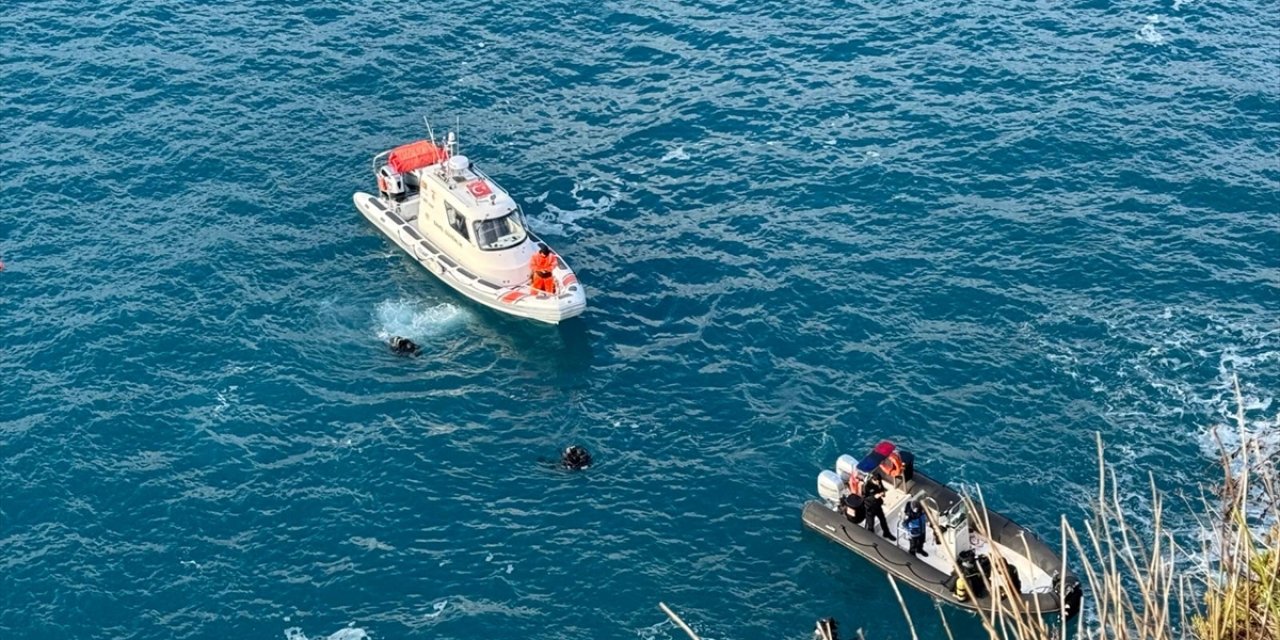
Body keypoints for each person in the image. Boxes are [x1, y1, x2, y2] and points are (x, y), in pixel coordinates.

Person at [861, 473, 895, 540]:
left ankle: (886, 533)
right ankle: (870, 537)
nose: (878, 483)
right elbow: (864, 498)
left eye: (879, 481)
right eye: (877, 481)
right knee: (871, 524)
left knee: (883, 520)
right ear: (873, 480)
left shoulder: (879, 483)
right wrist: (874, 497)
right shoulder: (867, 486)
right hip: (870, 507)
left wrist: (882, 493)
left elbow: (882, 489)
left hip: (877, 505)